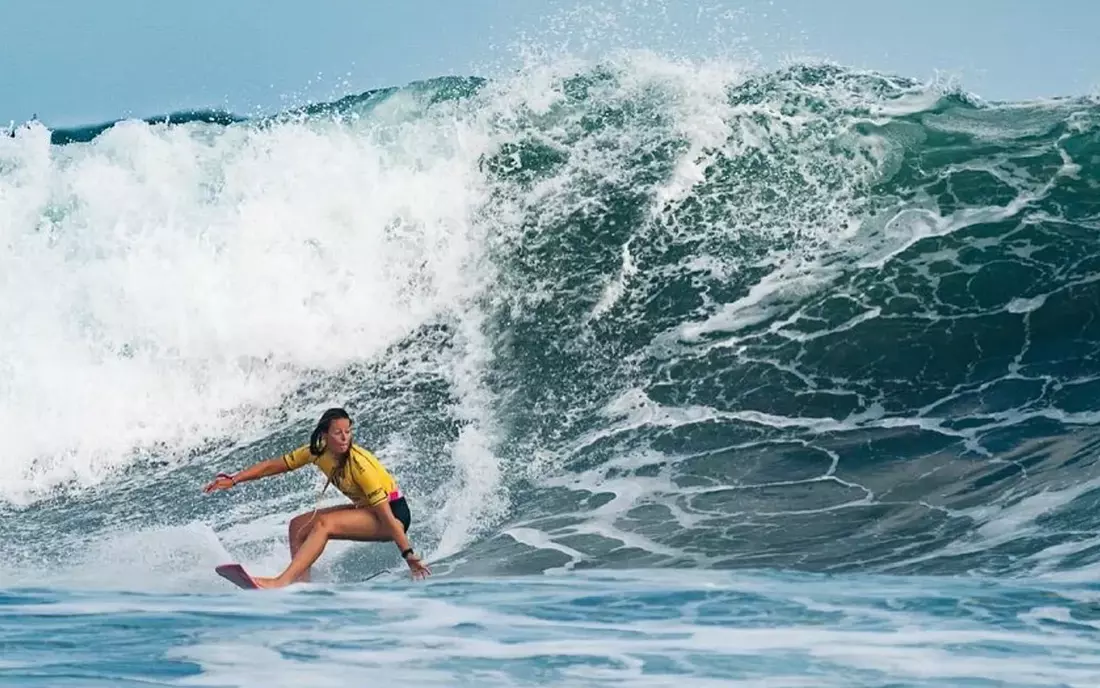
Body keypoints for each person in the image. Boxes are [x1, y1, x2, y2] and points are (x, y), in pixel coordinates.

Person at [202, 407, 431, 587]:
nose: (344, 438)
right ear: (325, 435)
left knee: (324, 524)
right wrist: (234, 479)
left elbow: (388, 518)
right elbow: (274, 465)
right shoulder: (317, 450)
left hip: (393, 515)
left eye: (348, 432)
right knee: (298, 527)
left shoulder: (361, 465)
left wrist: (408, 554)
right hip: (366, 509)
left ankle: (281, 582)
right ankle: (301, 587)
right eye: (338, 432)